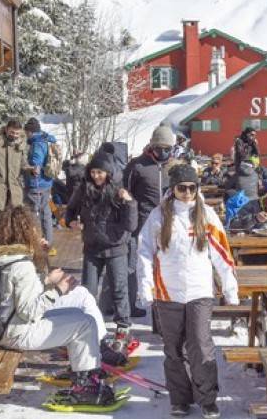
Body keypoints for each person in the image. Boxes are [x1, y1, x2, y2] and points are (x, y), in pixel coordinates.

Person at [0, 206, 125, 407]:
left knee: (77, 314)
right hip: (17, 332)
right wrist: (58, 290)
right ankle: (84, 383)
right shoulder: (21, 264)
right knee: (83, 323)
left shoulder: (0, 258)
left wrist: (45, 275)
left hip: (6, 326)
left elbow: (17, 295)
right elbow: (29, 311)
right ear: (27, 231)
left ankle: (85, 371)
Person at [137, 164, 238, 419]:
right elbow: (144, 253)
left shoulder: (206, 216)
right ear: (172, 189)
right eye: (182, 188)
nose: (187, 193)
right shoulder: (159, 216)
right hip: (167, 291)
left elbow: (223, 256)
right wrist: (146, 286)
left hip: (199, 290)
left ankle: (207, 398)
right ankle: (180, 399)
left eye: (192, 188)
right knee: (173, 349)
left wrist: (230, 289)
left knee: (200, 346)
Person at [65, 152, 138, 346]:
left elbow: (131, 225)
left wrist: (129, 202)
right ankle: (89, 325)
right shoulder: (83, 189)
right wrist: (71, 221)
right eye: (94, 172)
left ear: (108, 172)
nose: (97, 176)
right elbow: (70, 209)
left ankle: (123, 327)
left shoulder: (118, 191)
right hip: (92, 246)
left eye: (101, 172)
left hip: (116, 247)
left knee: (119, 289)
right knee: (88, 291)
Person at [122, 125, 176, 318]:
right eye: (158, 148)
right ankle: (129, 303)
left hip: (168, 222)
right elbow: (125, 190)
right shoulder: (138, 165)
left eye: (167, 148)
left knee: (165, 264)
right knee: (135, 263)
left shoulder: (175, 166)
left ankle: (163, 307)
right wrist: (130, 211)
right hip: (141, 220)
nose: (162, 152)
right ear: (152, 146)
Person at [23, 118, 57, 252]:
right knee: (46, 213)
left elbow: (36, 163)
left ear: (30, 131)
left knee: (32, 214)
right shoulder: (47, 140)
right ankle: (48, 243)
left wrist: (30, 168)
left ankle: (36, 244)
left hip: (36, 184)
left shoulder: (37, 144)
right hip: (47, 183)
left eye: (26, 132)